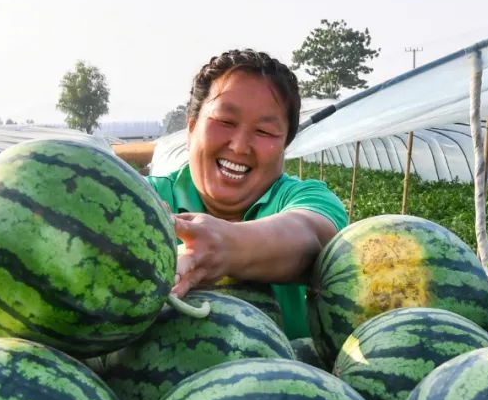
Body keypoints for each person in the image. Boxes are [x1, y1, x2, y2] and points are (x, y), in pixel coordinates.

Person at [147, 49, 347, 339]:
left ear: (284, 146)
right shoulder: (147, 196)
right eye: (225, 122)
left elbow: (314, 236)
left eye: (264, 132)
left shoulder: (306, 198)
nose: (240, 146)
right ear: (191, 129)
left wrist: (223, 246)